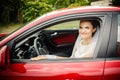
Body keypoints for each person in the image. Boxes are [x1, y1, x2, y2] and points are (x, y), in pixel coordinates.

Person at [30, 20, 100, 60]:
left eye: (87, 28)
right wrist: (46, 57)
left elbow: (72, 61)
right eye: (81, 27)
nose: (82, 31)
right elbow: (71, 58)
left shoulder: (94, 48)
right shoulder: (80, 42)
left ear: (94, 29)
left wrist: (48, 57)